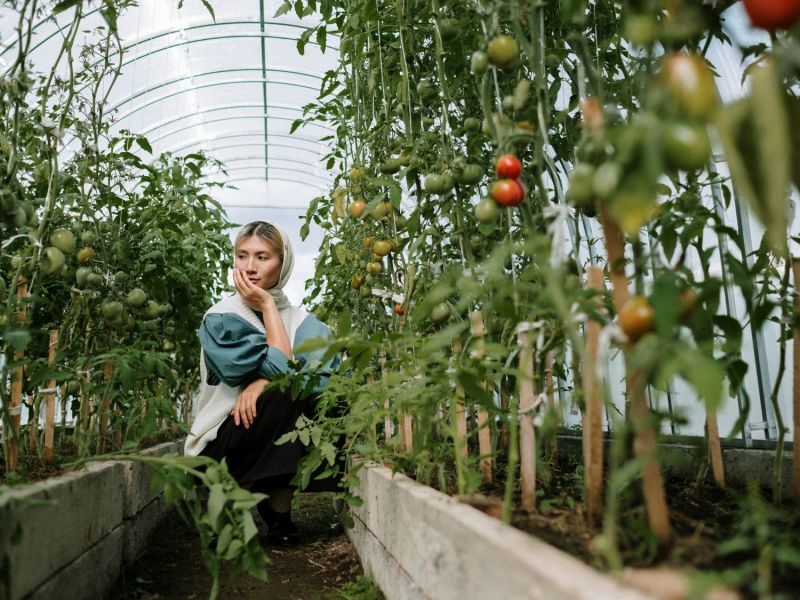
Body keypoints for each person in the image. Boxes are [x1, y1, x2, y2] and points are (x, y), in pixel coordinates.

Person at [184, 220, 339, 544]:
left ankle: (277, 512)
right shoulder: (222, 318)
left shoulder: (305, 322)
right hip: (225, 439)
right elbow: (280, 374)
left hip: (275, 432)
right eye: (242, 256)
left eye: (262, 257)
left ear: (283, 264)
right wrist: (267, 307)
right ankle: (227, 510)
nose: (250, 268)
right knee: (284, 393)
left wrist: (261, 383)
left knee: (309, 399)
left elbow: (328, 382)